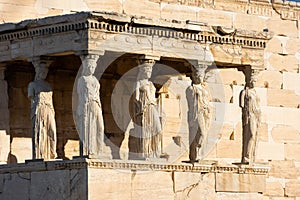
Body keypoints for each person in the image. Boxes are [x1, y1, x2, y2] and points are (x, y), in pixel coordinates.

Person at [133, 59, 162, 159]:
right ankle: (145, 153)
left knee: (158, 130)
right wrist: (140, 112)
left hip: (153, 107)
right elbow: (136, 99)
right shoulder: (138, 83)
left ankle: (155, 152)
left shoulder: (151, 84)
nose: (149, 73)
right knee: (146, 131)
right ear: (142, 71)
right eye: (147, 70)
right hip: (144, 109)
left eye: (150, 70)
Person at [76, 55, 104, 158]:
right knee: (88, 127)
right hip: (87, 105)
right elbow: (81, 95)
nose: (91, 69)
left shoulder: (95, 79)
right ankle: (88, 151)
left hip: (96, 104)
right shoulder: (82, 79)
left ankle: (98, 151)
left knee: (100, 127)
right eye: (90, 67)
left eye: (93, 67)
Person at [28, 62, 56, 160]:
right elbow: (32, 99)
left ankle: (51, 153)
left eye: (46, 72)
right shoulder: (32, 85)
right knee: (40, 131)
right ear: (38, 72)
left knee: (51, 131)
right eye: (42, 71)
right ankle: (39, 155)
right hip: (39, 109)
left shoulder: (48, 85)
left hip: (49, 109)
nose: (44, 73)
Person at [186, 68, 211, 162]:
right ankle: (195, 152)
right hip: (197, 113)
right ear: (194, 76)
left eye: (201, 76)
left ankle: (199, 153)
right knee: (202, 133)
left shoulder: (203, 88)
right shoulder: (191, 88)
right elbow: (190, 103)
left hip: (205, 112)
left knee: (205, 133)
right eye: (198, 75)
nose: (200, 77)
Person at [239, 78, 261, 164]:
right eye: (253, 81)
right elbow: (242, 105)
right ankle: (246, 156)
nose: (254, 83)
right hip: (249, 114)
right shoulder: (244, 92)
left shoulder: (255, 92)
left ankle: (251, 156)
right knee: (251, 134)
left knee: (255, 135)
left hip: (257, 115)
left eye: (255, 81)